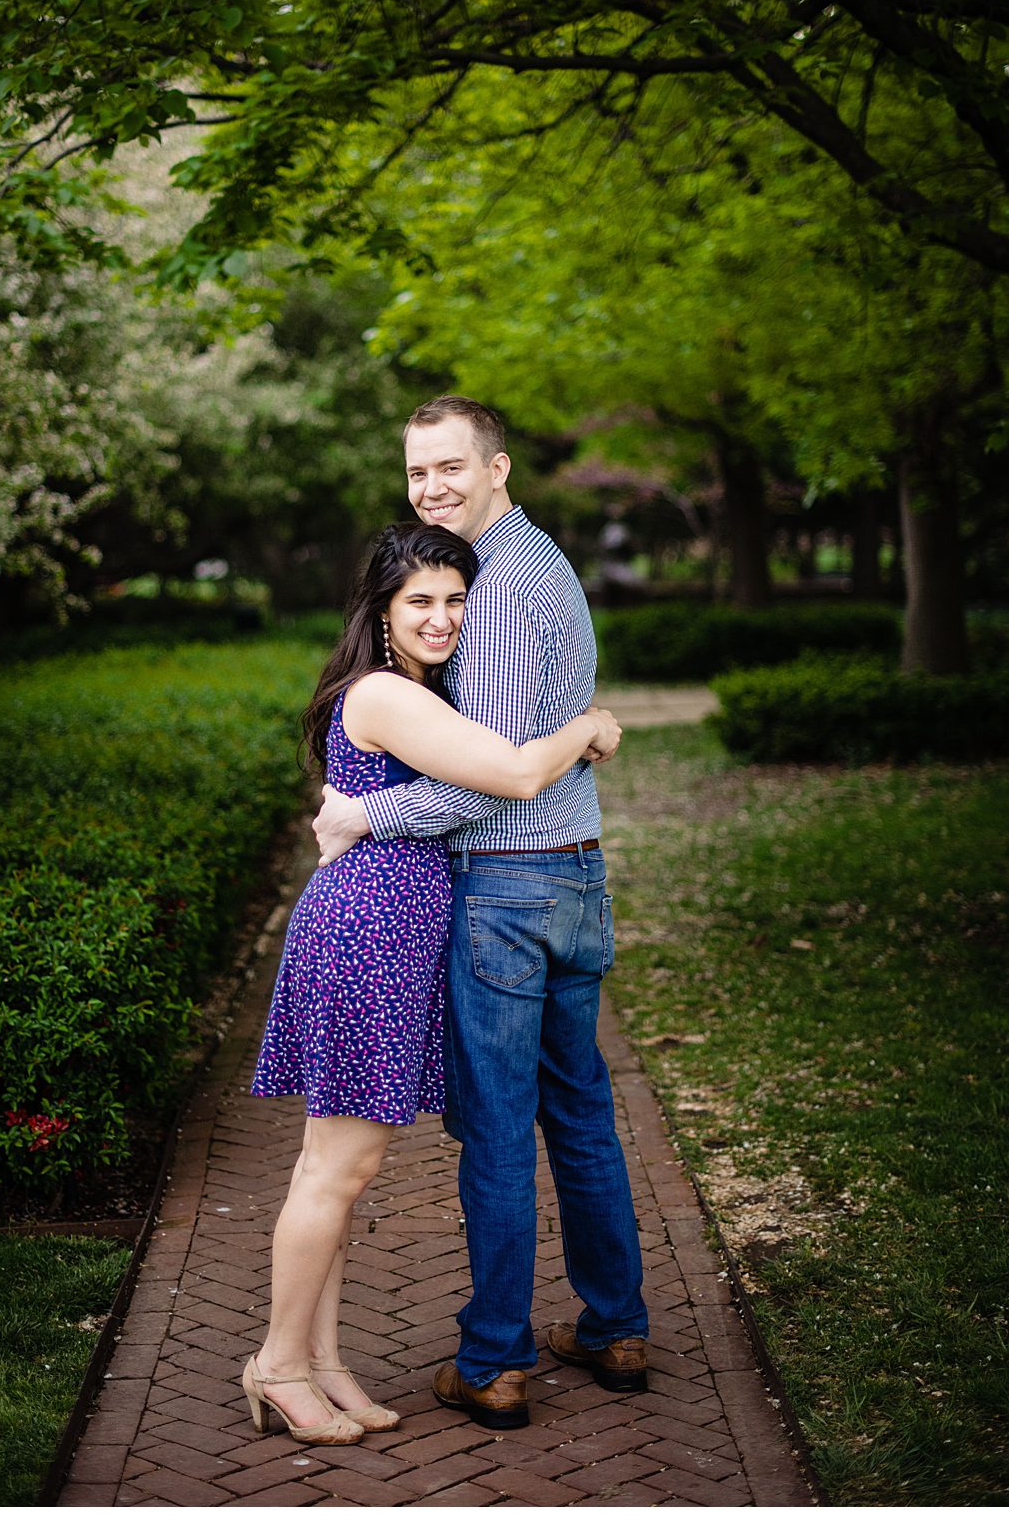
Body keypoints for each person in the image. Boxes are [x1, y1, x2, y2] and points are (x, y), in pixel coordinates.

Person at [241, 520, 622, 1444]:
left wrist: (373, 812)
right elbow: (519, 775)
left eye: (456, 599)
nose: (443, 617)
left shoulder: (413, 690)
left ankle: (323, 1360)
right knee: (341, 1167)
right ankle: (279, 1365)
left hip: (385, 930)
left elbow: (453, 794)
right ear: (379, 611)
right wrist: (591, 724)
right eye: (421, 601)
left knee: (328, 1168)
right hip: (368, 933)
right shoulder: (384, 695)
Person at [314, 395, 652, 1433]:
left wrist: (365, 810)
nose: (433, 488)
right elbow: (526, 754)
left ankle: (495, 1359)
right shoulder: (542, 562)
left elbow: (492, 777)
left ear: (497, 467)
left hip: (508, 886)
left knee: (501, 1129)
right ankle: (614, 1326)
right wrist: (590, 729)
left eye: (451, 468)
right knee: (581, 1109)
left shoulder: (496, 593)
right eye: (418, 473)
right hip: (576, 874)